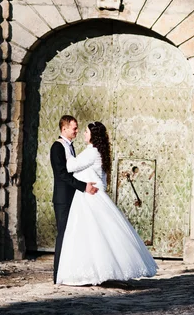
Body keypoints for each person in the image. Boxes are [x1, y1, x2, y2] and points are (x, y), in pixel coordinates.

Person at [56, 121, 158, 286]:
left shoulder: (91, 152)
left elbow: (71, 166)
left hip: (88, 198)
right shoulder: (97, 152)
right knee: (93, 235)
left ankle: (95, 271)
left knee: (92, 235)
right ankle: (95, 271)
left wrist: (65, 147)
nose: (83, 134)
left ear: (93, 136)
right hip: (90, 195)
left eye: (87, 132)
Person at [50, 115, 98, 284]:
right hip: (63, 198)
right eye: (74, 128)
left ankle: (69, 271)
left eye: (77, 128)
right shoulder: (57, 147)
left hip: (73, 197)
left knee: (72, 234)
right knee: (63, 234)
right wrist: (83, 186)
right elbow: (62, 174)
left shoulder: (70, 146)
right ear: (64, 129)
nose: (77, 131)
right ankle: (58, 274)